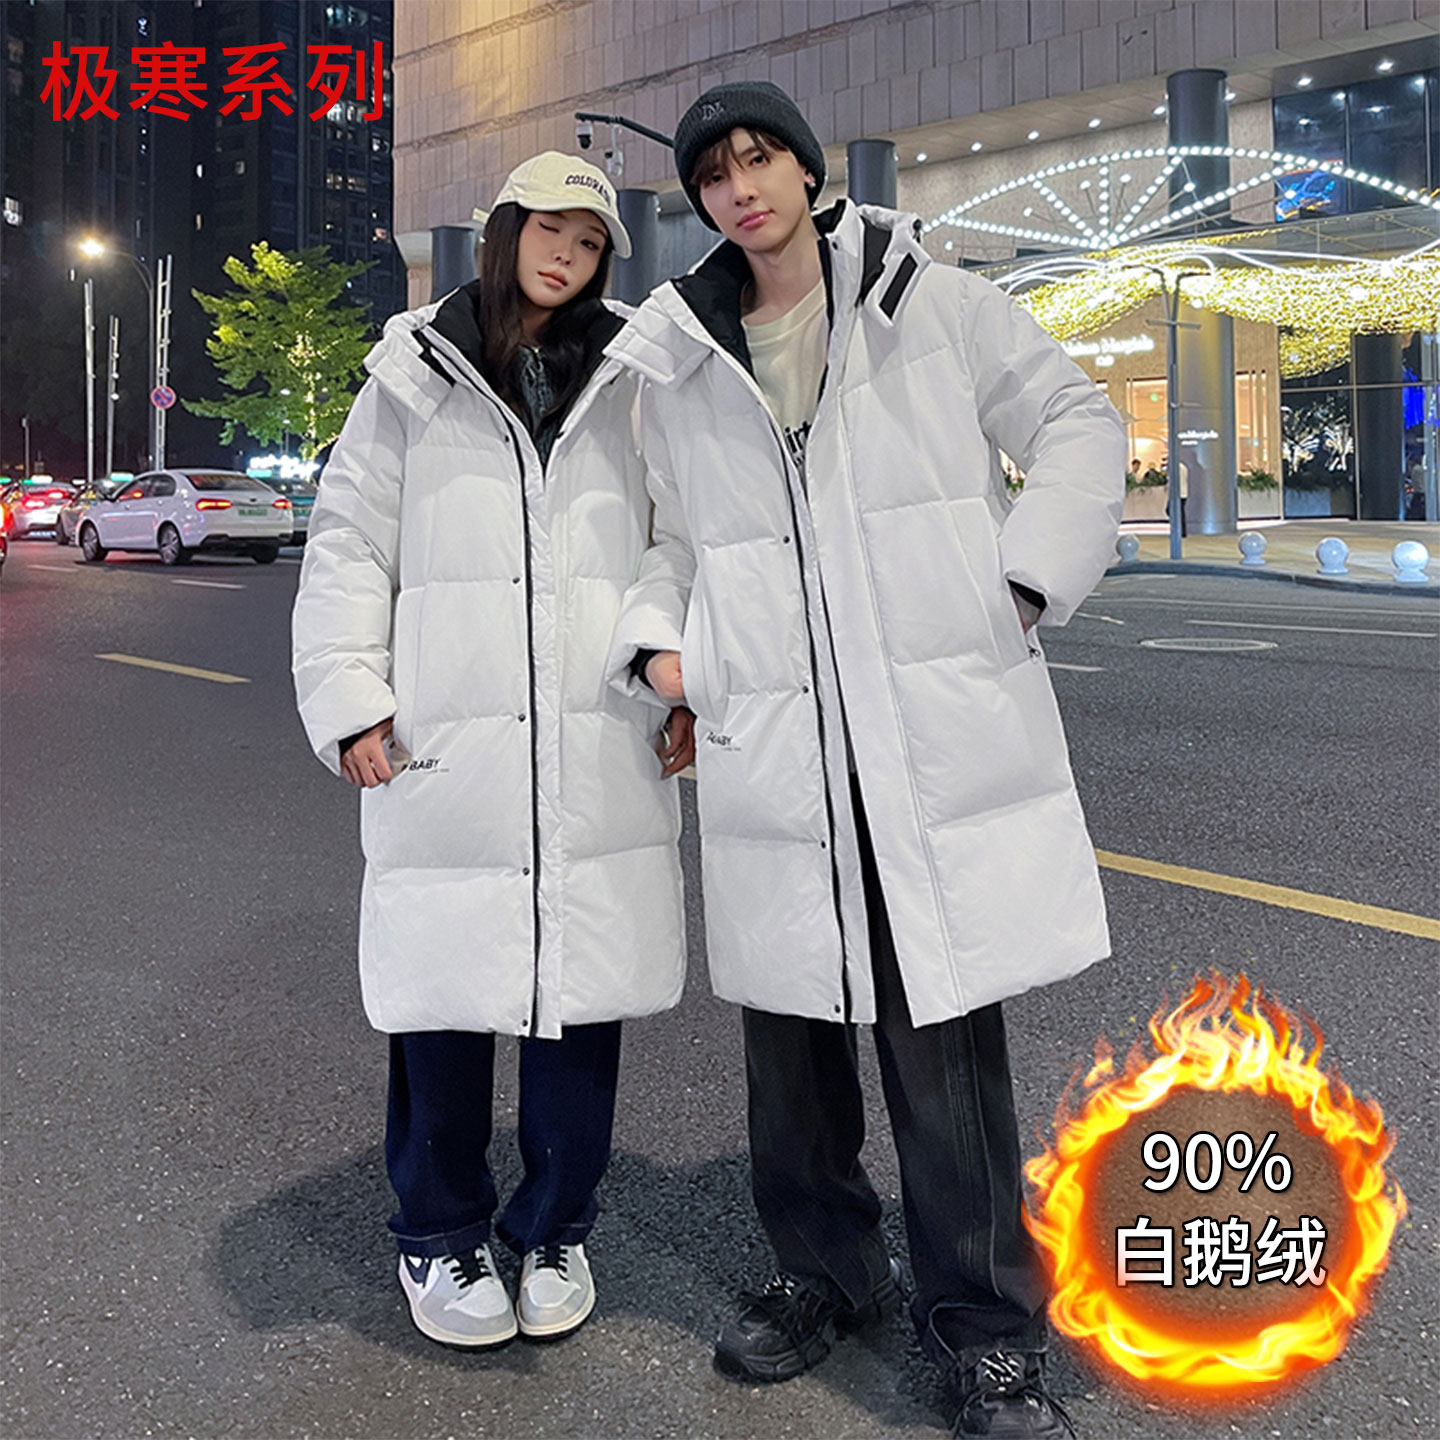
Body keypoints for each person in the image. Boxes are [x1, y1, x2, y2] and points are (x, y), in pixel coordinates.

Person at [605, 84, 1124, 1437]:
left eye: (759, 157)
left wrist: (1022, 583)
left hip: (915, 749)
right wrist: (666, 655)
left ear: (806, 167)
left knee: (941, 1058)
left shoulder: (927, 304)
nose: (741, 188)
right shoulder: (683, 360)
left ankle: (988, 1334)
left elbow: (1078, 421)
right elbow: (667, 539)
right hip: (775, 747)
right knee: (788, 1051)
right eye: (714, 174)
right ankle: (826, 1274)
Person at [292, 152, 692, 1351]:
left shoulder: (636, 378)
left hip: (597, 735)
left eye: (591, 238)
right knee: (443, 1003)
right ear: (506, 231)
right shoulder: (412, 371)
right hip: (446, 737)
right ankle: (440, 1230)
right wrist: (352, 699)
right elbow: (350, 541)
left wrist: (666, 662)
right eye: (549, 228)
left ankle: (556, 1227)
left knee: (581, 999)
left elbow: (678, 539)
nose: (567, 252)